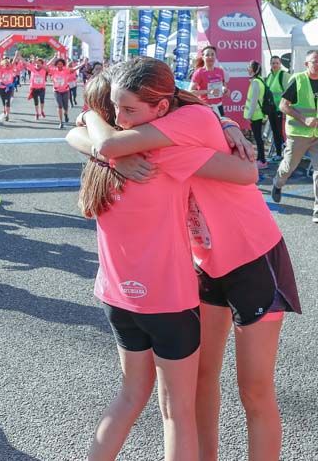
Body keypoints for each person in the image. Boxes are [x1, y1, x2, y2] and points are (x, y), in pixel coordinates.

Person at [76, 58, 301, 461]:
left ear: (160, 106)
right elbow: (82, 133)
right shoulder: (144, 134)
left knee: (254, 389)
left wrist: (109, 150)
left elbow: (99, 138)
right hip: (205, 260)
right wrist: (110, 152)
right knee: (199, 381)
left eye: (129, 111)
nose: (122, 120)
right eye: (116, 111)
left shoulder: (180, 128)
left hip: (253, 257)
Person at [270, 49, 318, 224]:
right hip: (298, 134)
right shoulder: (297, 79)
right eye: (315, 62)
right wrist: (304, 119)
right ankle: (277, 183)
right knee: (289, 166)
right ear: (307, 64)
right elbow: (283, 106)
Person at [244, 60, 272, 169]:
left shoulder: (255, 82)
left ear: (254, 69)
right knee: (258, 138)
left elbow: (254, 101)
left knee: (258, 138)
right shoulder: (258, 80)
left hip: (256, 115)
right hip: (257, 114)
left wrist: (249, 116)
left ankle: (262, 160)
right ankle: (260, 159)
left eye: (249, 67)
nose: (248, 69)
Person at [190, 46, 227, 116]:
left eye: (212, 54)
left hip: (219, 106)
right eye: (207, 55)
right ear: (203, 57)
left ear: (215, 57)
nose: (210, 57)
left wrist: (225, 90)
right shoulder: (199, 73)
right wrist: (208, 91)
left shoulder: (220, 71)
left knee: (220, 126)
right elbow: (191, 92)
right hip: (205, 107)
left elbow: (224, 86)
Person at [264, 56, 288, 161]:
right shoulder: (269, 76)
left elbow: (289, 91)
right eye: (273, 63)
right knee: (275, 132)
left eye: (277, 63)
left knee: (281, 133)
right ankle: (278, 154)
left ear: (280, 64)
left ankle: (286, 155)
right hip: (271, 109)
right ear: (270, 64)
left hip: (281, 110)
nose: (275, 65)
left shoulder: (283, 75)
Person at [51, 58, 75, 128]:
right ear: (56, 64)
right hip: (57, 91)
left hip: (65, 90)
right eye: (58, 64)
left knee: (65, 106)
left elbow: (74, 69)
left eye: (61, 64)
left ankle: (66, 114)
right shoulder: (53, 70)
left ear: (63, 64)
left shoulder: (66, 70)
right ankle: (61, 122)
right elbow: (45, 67)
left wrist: (82, 64)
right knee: (59, 106)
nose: (60, 65)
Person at [0, 55, 20, 122]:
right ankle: (4, 109)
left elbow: (14, 61)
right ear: (3, 64)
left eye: (8, 64)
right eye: (5, 64)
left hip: (9, 87)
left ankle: (7, 115)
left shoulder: (11, 68)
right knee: (3, 101)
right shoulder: (1, 69)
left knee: (7, 101)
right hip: (1, 87)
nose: (7, 65)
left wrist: (16, 54)